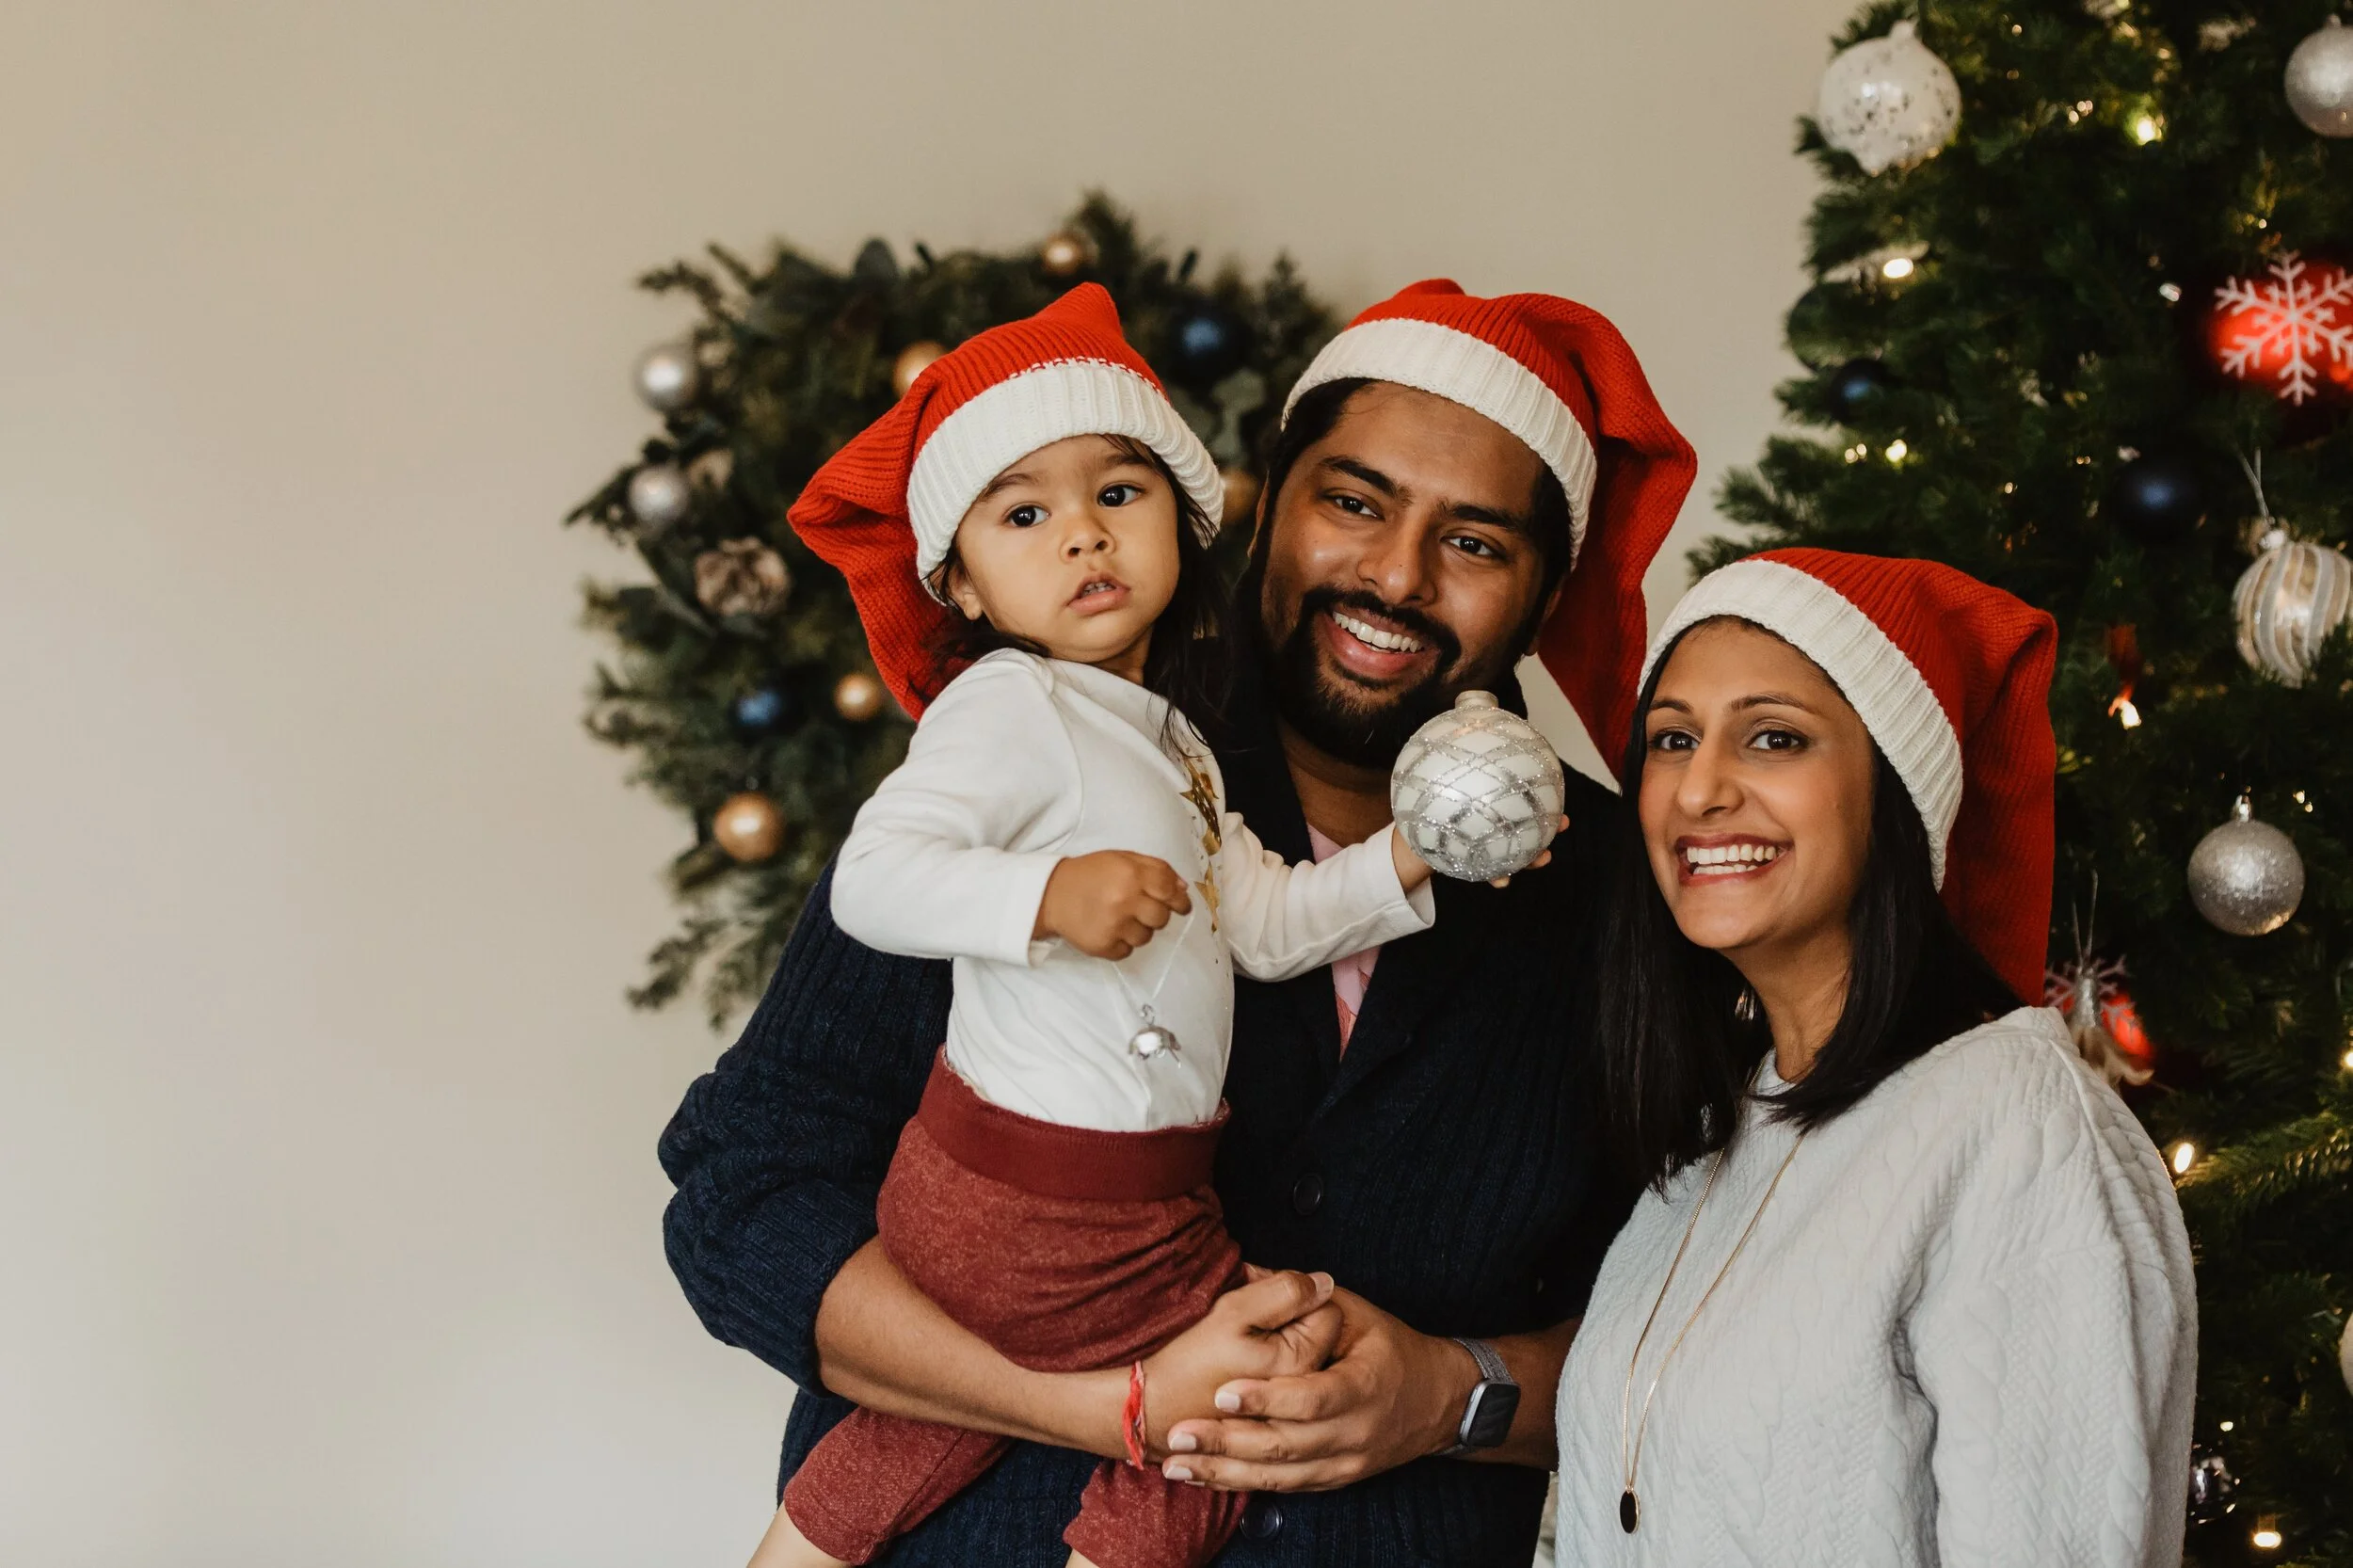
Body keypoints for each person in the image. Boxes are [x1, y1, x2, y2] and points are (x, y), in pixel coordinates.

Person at [661, 280, 1697, 1566]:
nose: (1395, 573)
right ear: (1267, 504)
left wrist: (1446, 1391)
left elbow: (1690, 1340)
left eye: (1477, 542)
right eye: (1355, 503)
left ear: (1545, 598)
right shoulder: (1047, 743)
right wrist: (1110, 1408)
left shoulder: (1619, 893)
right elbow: (741, 1198)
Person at [753, 284, 1465, 1568]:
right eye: (1025, 513)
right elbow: (877, 873)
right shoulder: (1007, 707)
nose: (1082, 535)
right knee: (1240, 1385)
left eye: (1118, 496)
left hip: (1075, 1200)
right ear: (960, 583)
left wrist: (1406, 858)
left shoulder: (1175, 742)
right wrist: (1045, 899)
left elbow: (1262, 920)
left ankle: (799, 1545)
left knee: (924, 1426)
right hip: (1045, 1194)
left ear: (1186, 529)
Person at [1552, 549, 2198, 1566]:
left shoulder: (2012, 1123)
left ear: (1891, 793)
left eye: (1773, 737)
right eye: (1671, 739)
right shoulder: (1708, 1149)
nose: (1701, 788)